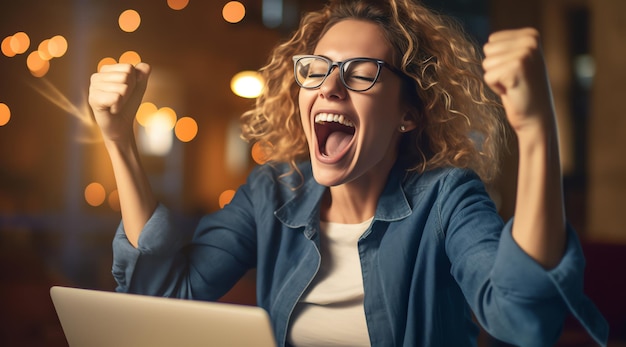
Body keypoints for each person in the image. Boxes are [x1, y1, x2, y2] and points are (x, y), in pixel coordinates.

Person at [88, 0, 608, 346]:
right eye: (317, 68)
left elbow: (524, 319)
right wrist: (119, 142)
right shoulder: (273, 192)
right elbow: (164, 294)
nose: (330, 87)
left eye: (362, 73)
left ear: (409, 114)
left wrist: (538, 129)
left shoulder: (445, 199)